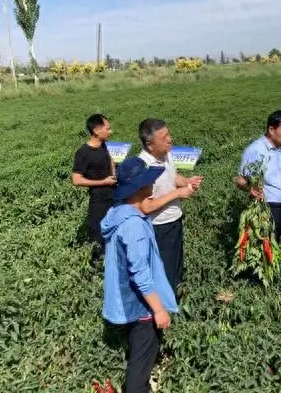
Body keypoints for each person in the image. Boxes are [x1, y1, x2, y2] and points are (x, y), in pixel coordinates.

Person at [101, 156, 178, 393]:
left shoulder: (119, 212)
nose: (153, 183)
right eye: (148, 181)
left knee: (137, 349)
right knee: (141, 361)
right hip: (141, 306)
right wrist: (158, 310)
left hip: (127, 299)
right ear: (139, 188)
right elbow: (141, 274)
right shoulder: (134, 227)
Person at [137, 118, 203, 294]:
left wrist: (187, 181)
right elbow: (146, 206)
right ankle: (164, 310)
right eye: (164, 137)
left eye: (169, 134)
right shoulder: (143, 167)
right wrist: (177, 194)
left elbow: (172, 177)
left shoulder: (166, 154)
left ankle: (176, 297)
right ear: (150, 145)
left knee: (176, 265)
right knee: (164, 271)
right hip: (158, 227)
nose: (170, 139)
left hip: (175, 219)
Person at [236, 110, 281, 243]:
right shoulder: (255, 150)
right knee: (269, 247)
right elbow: (240, 180)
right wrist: (250, 189)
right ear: (271, 130)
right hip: (269, 208)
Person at [72, 114, 117, 255]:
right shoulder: (83, 153)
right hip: (98, 201)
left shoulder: (103, 144)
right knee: (99, 236)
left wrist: (114, 172)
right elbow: (76, 179)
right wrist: (103, 182)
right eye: (108, 129)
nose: (111, 131)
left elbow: (109, 158)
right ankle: (98, 266)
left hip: (113, 195)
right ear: (97, 131)